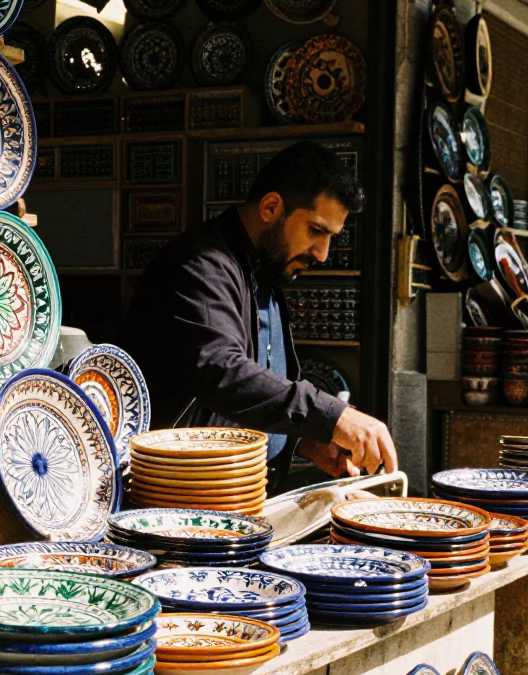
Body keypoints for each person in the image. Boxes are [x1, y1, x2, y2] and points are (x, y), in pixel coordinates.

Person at [118, 141, 398, 487]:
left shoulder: (268, 270)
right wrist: (332, 416)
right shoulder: (201, 263)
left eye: (330, 237)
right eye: (316, 230)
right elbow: (221, 371)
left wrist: (305, 440)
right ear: (271, 207)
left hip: (244, 496)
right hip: (185, 499)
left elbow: (255, 398)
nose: (324, 253)